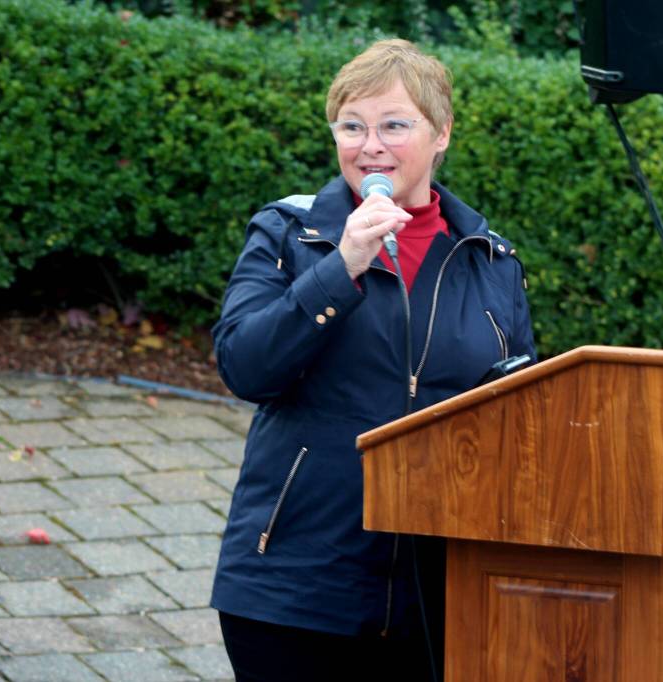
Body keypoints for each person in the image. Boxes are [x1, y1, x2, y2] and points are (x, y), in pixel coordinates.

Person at [209, 39, 536, 681]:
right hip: (296, 584)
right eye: (352, 127)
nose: (370, 146)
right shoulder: (288, 235)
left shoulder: (490, 259)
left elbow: (523, 414)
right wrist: (341, 268)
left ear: (441, 134)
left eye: (394, 125)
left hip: (441, 596)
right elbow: (245, 367)